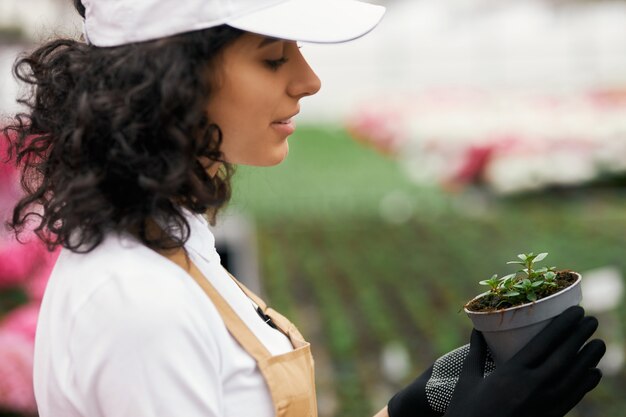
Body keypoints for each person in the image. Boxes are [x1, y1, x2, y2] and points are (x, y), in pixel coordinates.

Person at [2, 0, 606, 416]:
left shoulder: (174, 245)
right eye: (273, 57)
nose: (309, 79)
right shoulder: (138, 305)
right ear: (169, 78)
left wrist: (425, 404)